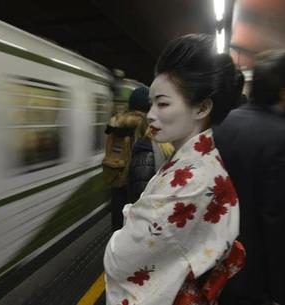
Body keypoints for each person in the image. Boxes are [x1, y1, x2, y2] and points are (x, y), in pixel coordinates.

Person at [104, 34, 244, 305]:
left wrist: (130, 216)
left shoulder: (191, 179)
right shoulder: (200, 162)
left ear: (202, 107)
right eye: (152, 103)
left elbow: (120, 257)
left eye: (163, 103)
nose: (151, 114)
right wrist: (136, 217)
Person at [214, 50, 285, 305]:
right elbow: (279, 220)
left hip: (220, 261)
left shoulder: (226, 123)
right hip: (256, 277)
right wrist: (284, 292)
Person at [104, 85, 151, 231]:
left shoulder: (115, 123)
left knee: (118, 221)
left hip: (116, 177)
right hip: (136, 182)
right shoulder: (145, 125)